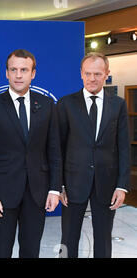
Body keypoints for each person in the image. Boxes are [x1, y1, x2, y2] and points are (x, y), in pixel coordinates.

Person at [0, 49, 61, 258]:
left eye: (24, 70)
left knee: (31, 250)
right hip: (2, 194)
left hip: (37, 193)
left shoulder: (47, 105)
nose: (18, 75)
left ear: (33, 73)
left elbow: (54, 150)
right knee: (1, 251)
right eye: (13, 70)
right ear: (6, 73)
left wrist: (54, 189)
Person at [57, 52, 130, 258]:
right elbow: (58, 148)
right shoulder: (66, 104)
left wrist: (122, 185)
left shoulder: (118, 105)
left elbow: (123, 147)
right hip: (72, 184)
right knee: (68, 239)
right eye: (87, 73)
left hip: (107, 184)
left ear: (107, 74)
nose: (92, 78)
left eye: (97, 73)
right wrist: (59, 185)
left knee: (103, 239)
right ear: (81, 73)